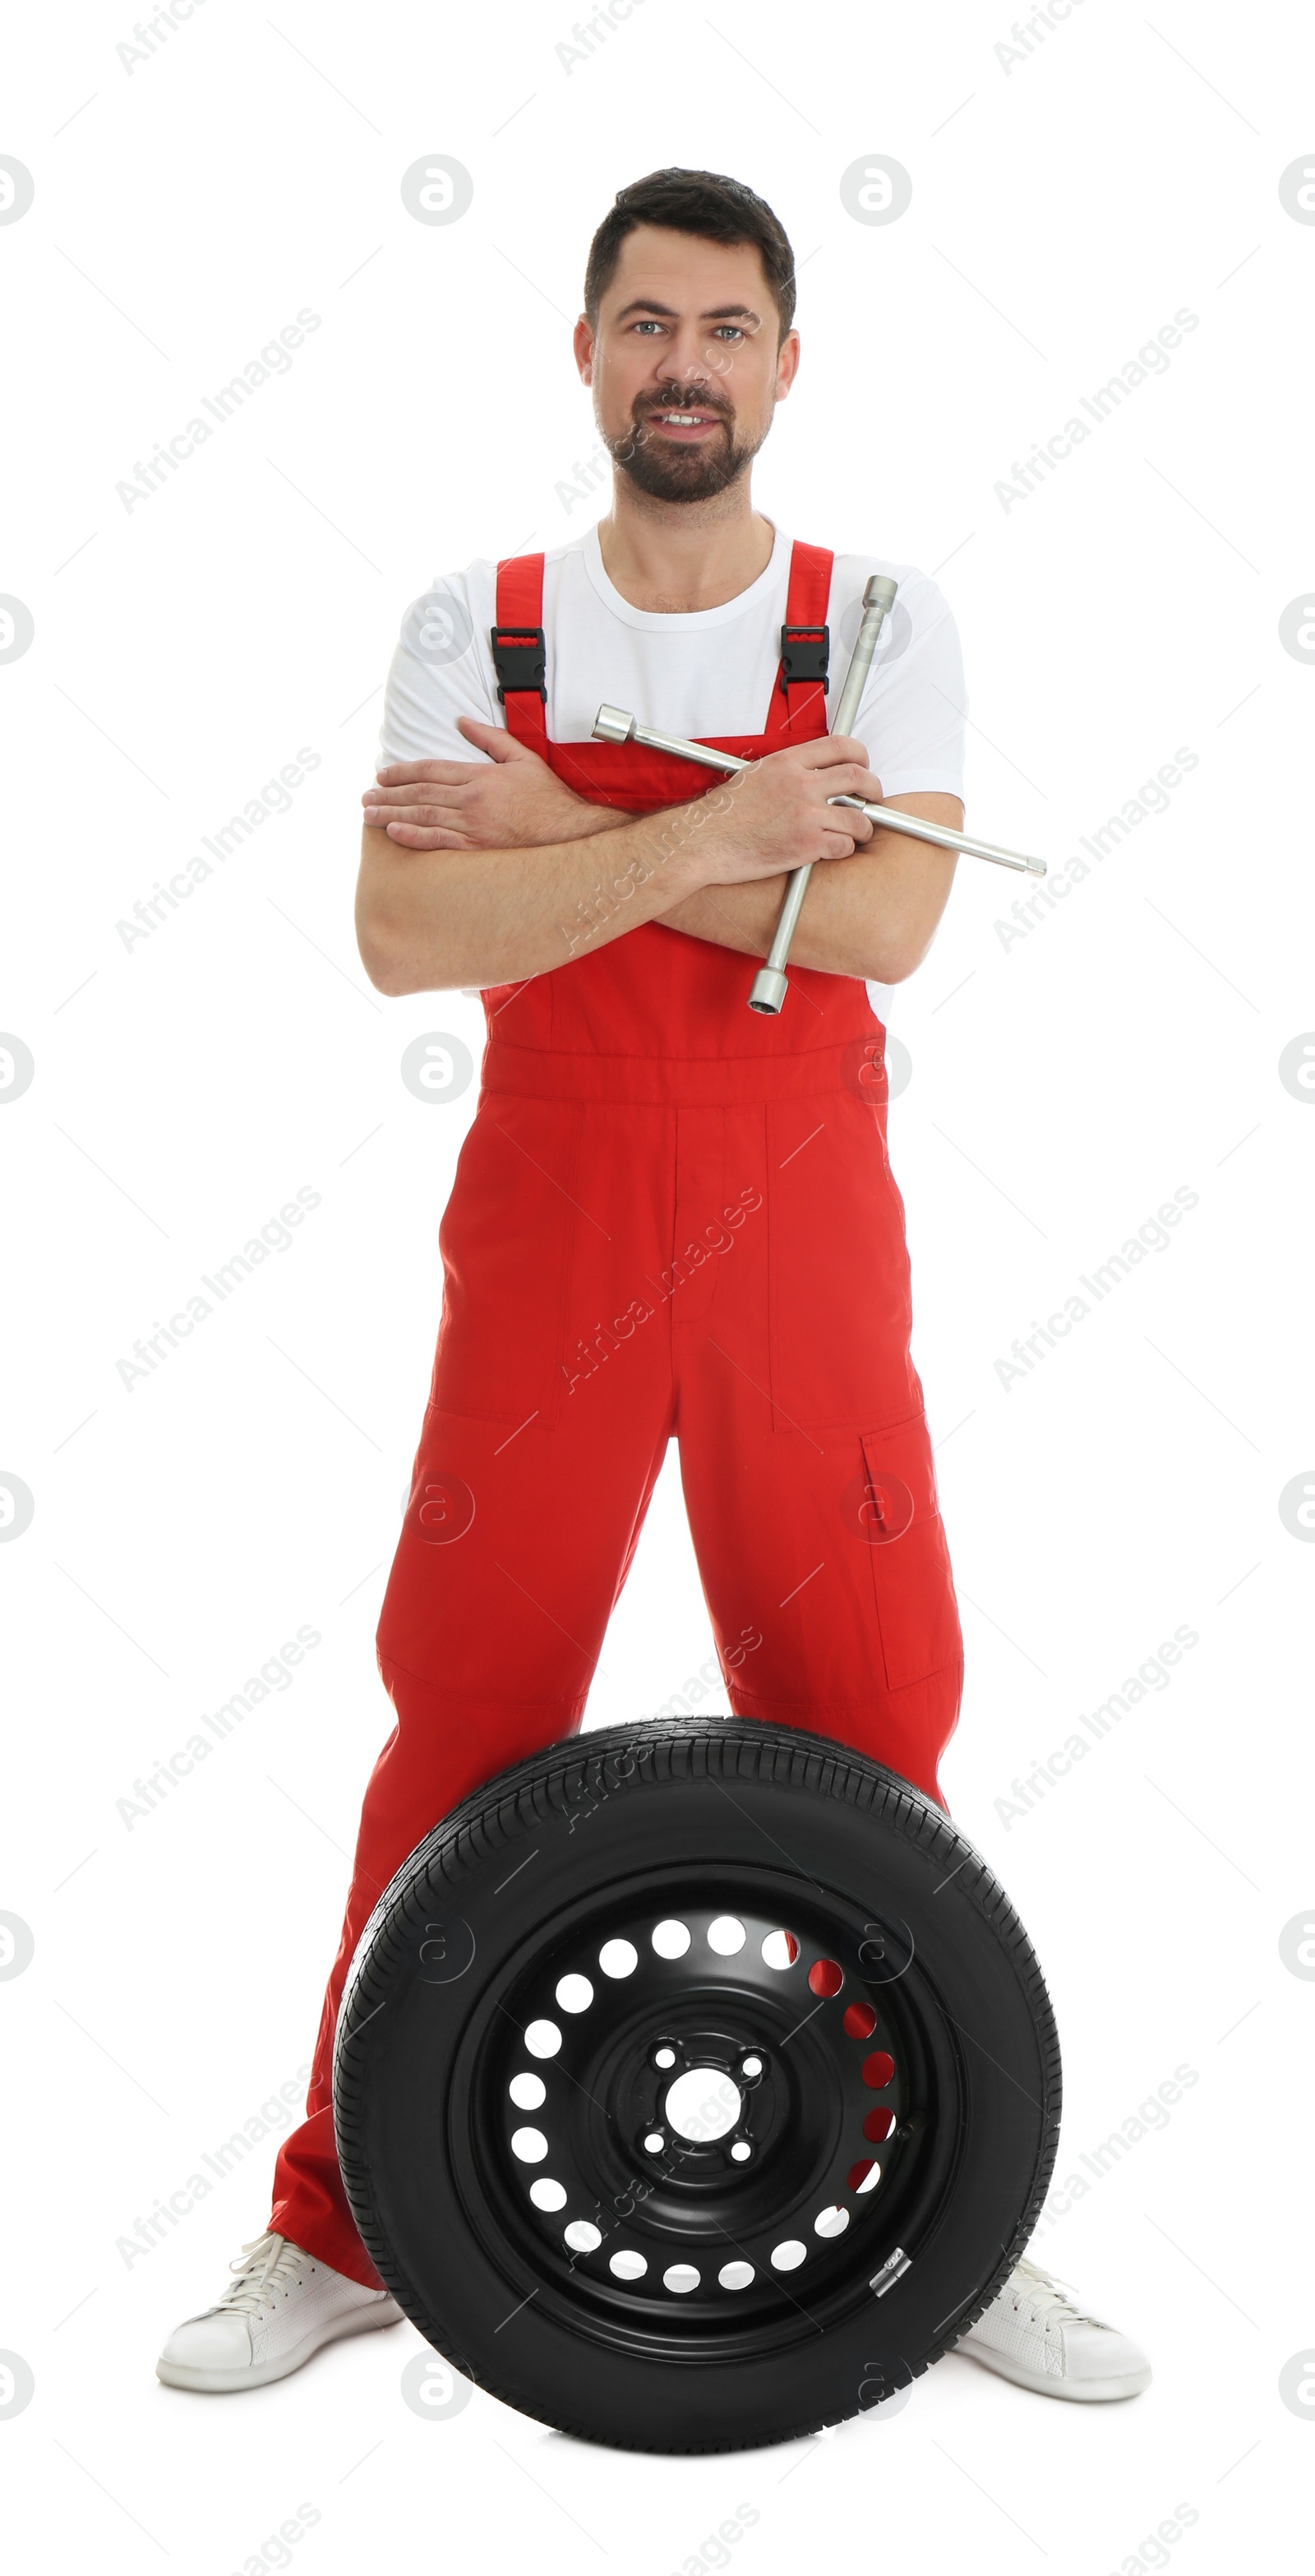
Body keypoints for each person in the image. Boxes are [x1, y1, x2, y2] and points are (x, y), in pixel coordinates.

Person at [157, 167, 1149, 2407]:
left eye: (725, 327)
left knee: (878, 1722)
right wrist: (724, 837)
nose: (683, 364)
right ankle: (338, 2223)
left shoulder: (885, 622)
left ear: (786, 363)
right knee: (464, 1721)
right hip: (550, 1241)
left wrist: (562, 845)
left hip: (801, 1241)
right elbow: (411, 940)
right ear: (585, 352)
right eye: (643, 324)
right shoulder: (470, 620)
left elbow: (886, 933)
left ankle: (953, 2223)